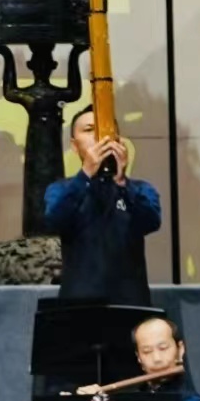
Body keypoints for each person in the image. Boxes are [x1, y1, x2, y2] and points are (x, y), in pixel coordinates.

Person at [45, 106, 160, 307]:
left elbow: (151, 222)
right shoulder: (61, 189)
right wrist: (86, 174)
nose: (98, 137)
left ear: (119, 141)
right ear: (74, 145)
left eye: (105, 130)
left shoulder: (140, 189)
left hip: (131, 305)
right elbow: (54, 220)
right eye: (89, 130)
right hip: (78, 306)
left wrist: (121, 182)